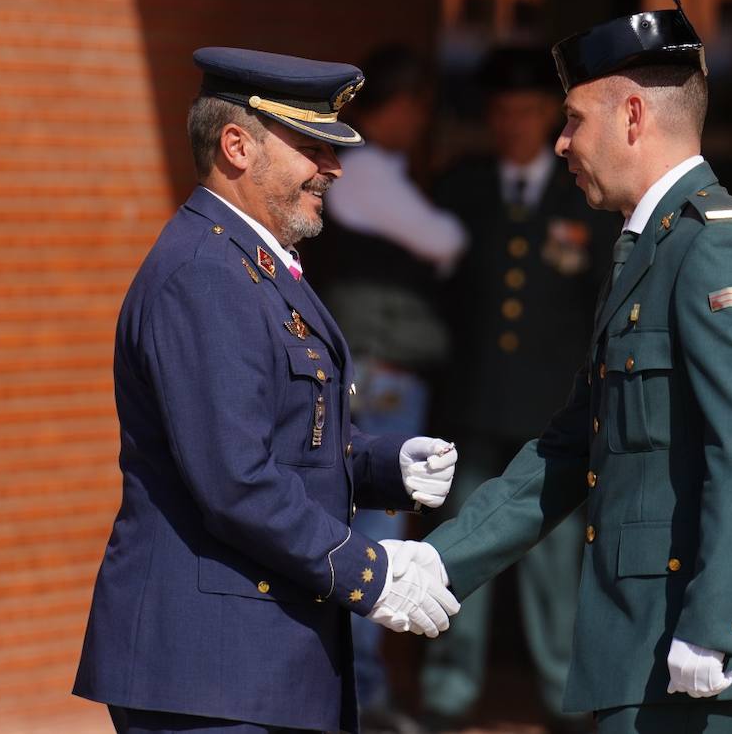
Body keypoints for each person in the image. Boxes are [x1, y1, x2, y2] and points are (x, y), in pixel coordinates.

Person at [395, 3, 732, 733]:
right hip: (642, 636)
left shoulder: (715, 248)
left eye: (572, 120)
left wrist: (714, 624)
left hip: (691, 646)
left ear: (632, 116)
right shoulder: (646, 247)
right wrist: (442, 561)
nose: (560, 142)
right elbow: (571, 445)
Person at [72, 46, 462, 734]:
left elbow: (285, 437)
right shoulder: (206, 274)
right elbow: (236, 478)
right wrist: (369, 572)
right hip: (210, 669)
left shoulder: (249, 263)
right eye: (312, 147)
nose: (333, 168)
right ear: (236, 146)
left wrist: (378, 464)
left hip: (246, 663)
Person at [419, 46, 619, 733]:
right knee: (461, 548)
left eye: (528, 111)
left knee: (553, 567)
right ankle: (447, 692)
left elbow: (602, 305)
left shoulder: (582, 195)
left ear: (549, 116)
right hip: (471, 403)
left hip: (551, 415)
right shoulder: (459, 190)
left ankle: (563, 697)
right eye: (500, 112)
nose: (513, 124)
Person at [314, 44, 467, 733]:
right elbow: (443, 239)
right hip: (379, 376)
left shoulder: (368, 167)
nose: (422, 122)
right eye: (419, 108)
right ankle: (363, 698)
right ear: (398, 106)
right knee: (373, 539)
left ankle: (361, 692)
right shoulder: (369, 166)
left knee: (369, 532)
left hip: (375, 372)